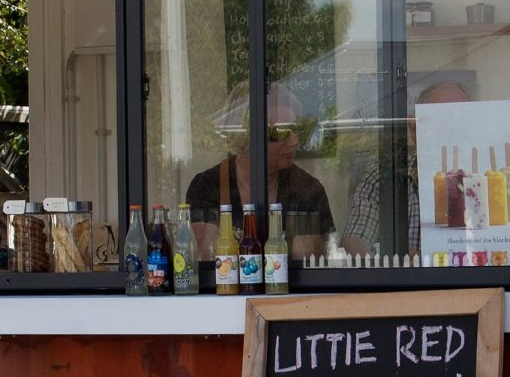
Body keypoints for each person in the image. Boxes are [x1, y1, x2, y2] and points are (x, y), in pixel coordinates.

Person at [185, 85, 335, 257]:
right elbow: (203, 260)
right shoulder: (207, 187)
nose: (294, 141)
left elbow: (318, 263)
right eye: (280, 132)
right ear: (248, 136)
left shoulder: (308, 189)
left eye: (296, 130)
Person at [345, 78, 470, 258]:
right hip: (407, 285)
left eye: (461, 121)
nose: (452, 131)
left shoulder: (486, 181)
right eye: (440, 121)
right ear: (414, 129)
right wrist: (397, 265)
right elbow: (354, 244)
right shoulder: (383, 177)